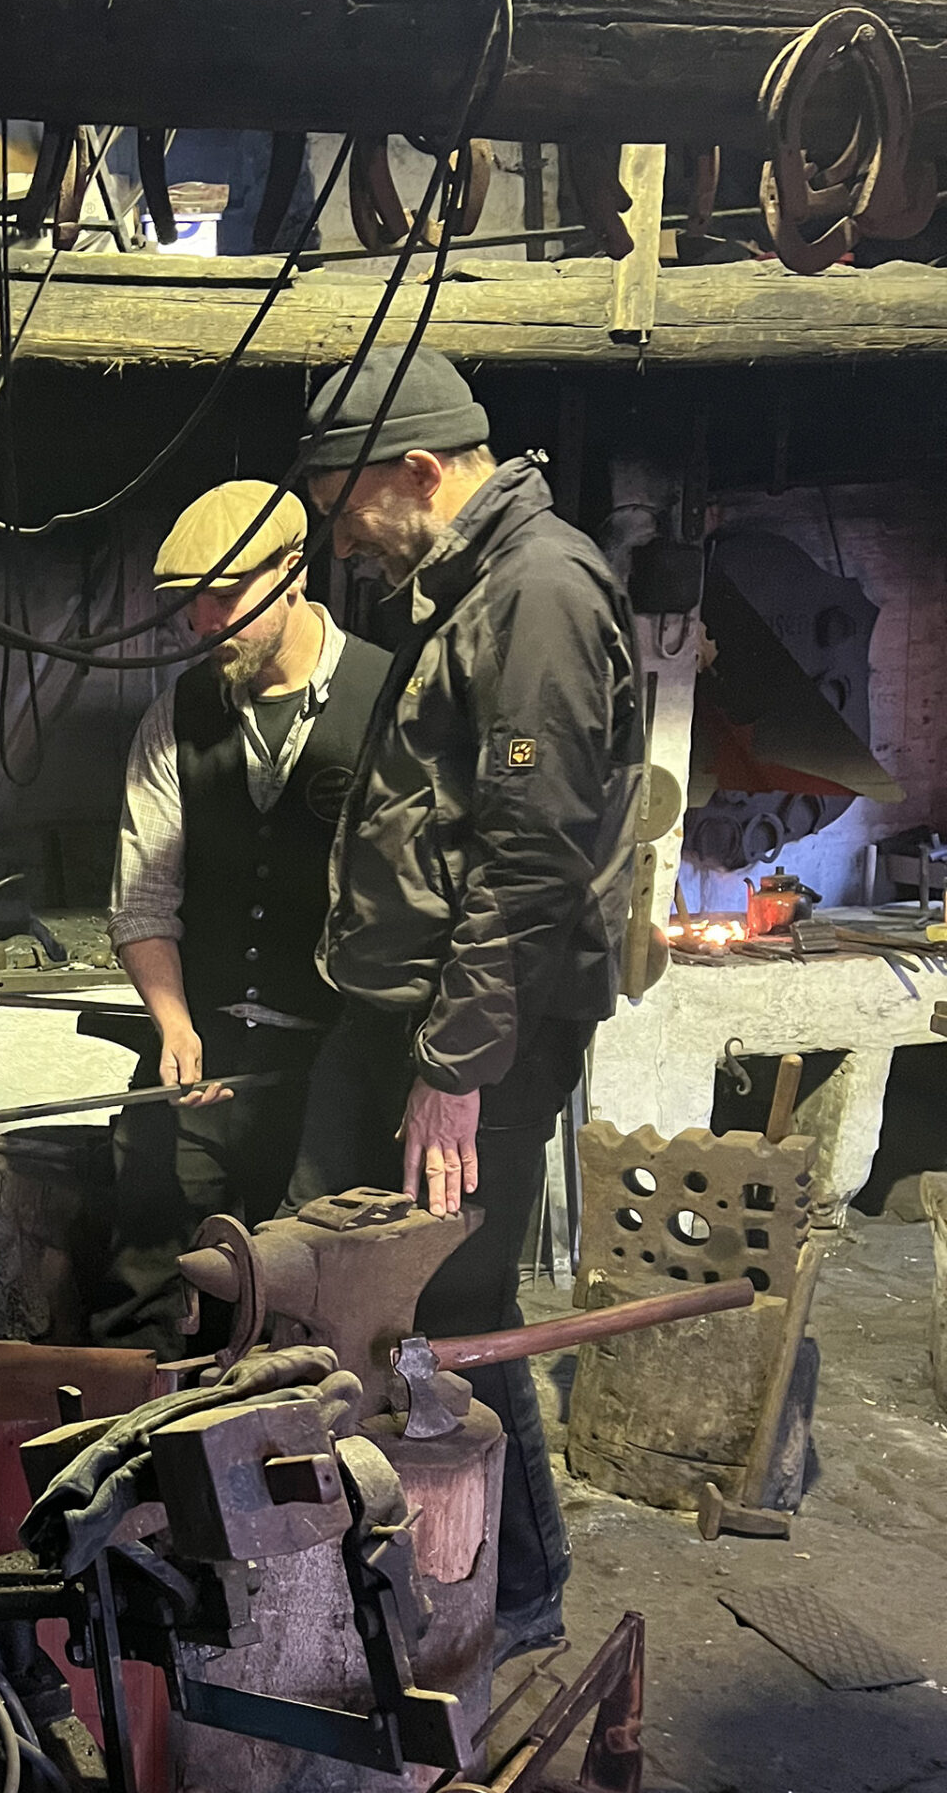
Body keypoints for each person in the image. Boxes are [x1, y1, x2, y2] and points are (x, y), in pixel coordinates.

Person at [293, 348, 644, 1658]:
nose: (341, 540)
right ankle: (384, 1564)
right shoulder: (475, 588)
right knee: (347, 1287)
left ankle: (520, 1586)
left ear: (419, 470)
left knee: (453, 1319)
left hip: (472, 1041)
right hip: (406, 1019)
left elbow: (530, 858)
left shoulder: (540, 591)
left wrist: (454, 1065)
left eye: (345, 508)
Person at [91, 479, 391, 1356]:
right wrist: (175, 1024)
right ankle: (135, 1421)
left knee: (307, 1295)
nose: (204, 621)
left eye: (225, 595)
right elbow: (143, 897)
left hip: (339, 1054)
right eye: (191, 602)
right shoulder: (178, 715)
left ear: (293, 571)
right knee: (145, 1267)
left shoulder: (389, 703)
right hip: (208, 1042)